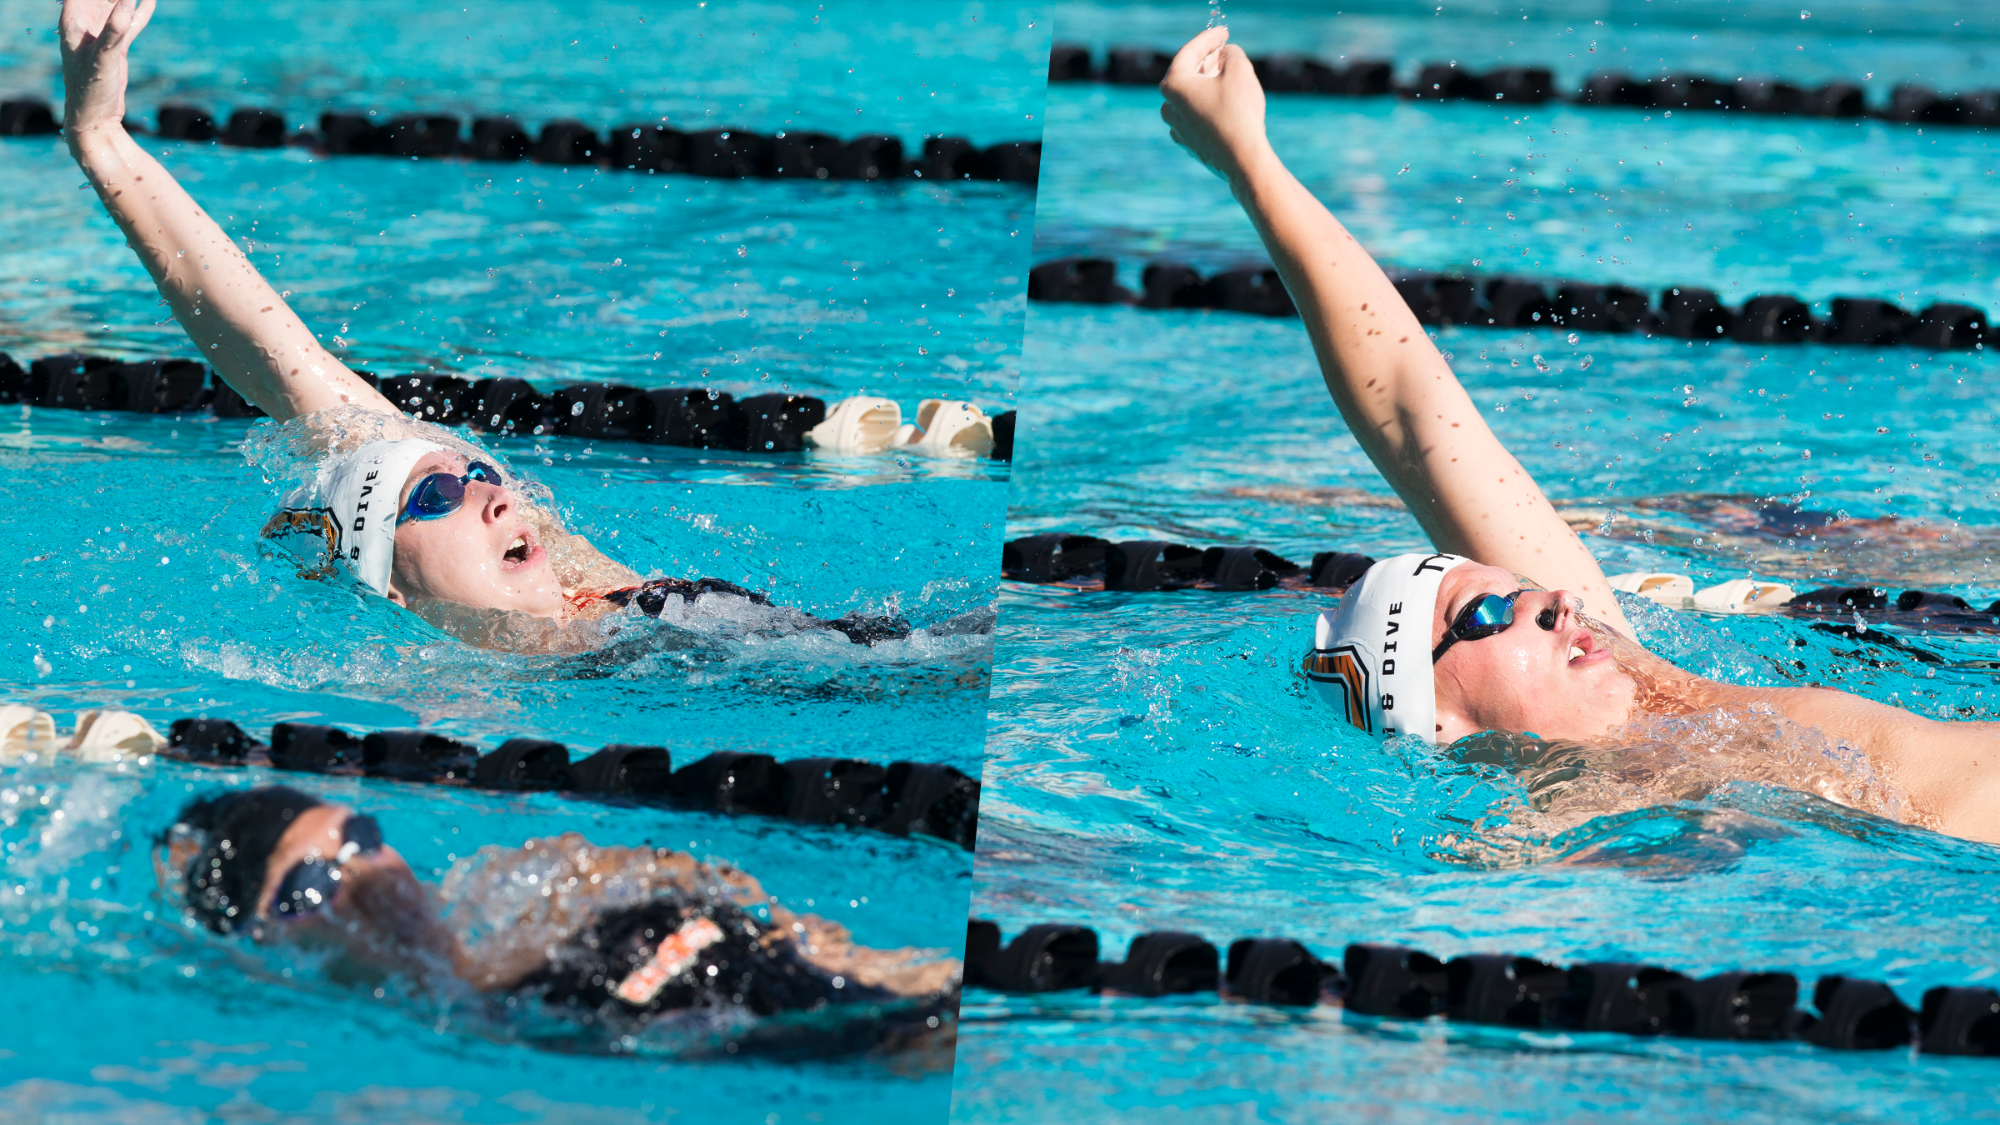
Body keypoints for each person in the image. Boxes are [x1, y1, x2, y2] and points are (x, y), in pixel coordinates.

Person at [1156, 27, 2000, 844]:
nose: (1553, 599)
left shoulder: (1640, 678)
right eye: (1488, 610)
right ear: (1435, 717)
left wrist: (1248, 161)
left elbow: (1411, 413)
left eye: (1518, 587)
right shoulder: (1581, 823)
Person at [57, 0, 909, 650]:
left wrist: (103, 139)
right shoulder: (469, 694)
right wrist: (93, 136)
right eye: (435, 496)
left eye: (471, 469)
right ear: (391, 586)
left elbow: (280, 360)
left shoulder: (609, 595)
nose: (493, 492)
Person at [154, 785, 958, 1057]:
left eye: (359, 837)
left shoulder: (537, 902)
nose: (370, 874)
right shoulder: (496, 1028)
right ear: (274, 947)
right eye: (312, 883)